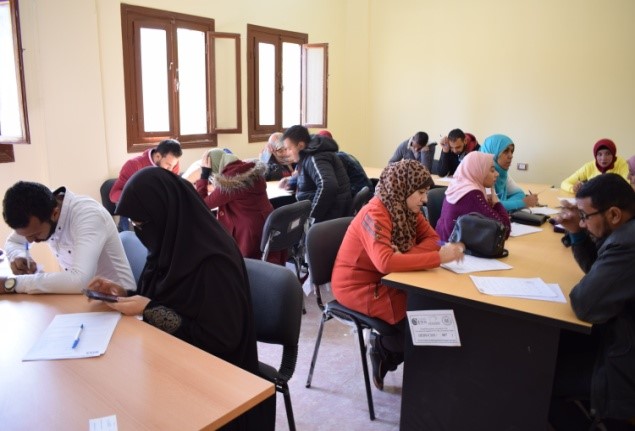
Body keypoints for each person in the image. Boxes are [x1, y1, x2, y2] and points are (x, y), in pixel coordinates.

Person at [331, 160, 465, 390]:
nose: (425, 199)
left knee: (431, 316)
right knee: (422, 329)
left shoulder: (406, 208)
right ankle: (382, 350)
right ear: (403, 187)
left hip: (391, 278)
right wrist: (437, 258)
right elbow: (385, 262)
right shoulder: (375, 213)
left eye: (426, 192)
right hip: (358, 287)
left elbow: (433, 239)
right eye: (420, 193)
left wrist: (404, 255)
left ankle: (388, 351)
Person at [549, 174, 635, 429]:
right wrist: (576, 233)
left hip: (623, 361)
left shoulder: (628, 245)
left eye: (585, 216)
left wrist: (590, 284)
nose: (582, 222)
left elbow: (585, 305)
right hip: (620, 337)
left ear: (614, 214)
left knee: (540, 373)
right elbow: (600, 270)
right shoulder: (625, 233)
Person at [1, 181, 136, 294]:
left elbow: (80, 281)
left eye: (34, 234)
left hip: (119, 299)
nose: (29, 241)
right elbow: (14, 242)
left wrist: (14, 283)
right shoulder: (38, 208)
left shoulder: (88, 216)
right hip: (81, 296)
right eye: (25, 236)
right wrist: (18, 255)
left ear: (54, 214)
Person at [195, 149, 283, 264]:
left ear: (215, 168)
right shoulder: (248, 170)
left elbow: (201, 204)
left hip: (248, 237)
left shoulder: (230, 181)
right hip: (264, 228)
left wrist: (204, 175)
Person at [282, 125, 351, 223]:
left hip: (330, 215)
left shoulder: (314, 157)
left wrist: (312, 217)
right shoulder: (310, 155)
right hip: (334, 211)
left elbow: (328, 185)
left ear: (300, 145)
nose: (287, 153)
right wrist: (290, 181)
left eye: (289, 148)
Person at [435, 152, 511, 241]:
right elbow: (505, 230)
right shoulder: (471, 194)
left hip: (442, 243)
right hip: (453, 247)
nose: (497, 174)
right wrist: (496, 201)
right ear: (479, 171)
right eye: (492, 170)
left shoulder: (459, 185)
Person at [110, 139, 182, 231]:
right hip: (134, 212)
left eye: (173, 166)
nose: (171, 170)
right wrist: (137, 199)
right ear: (158, 156)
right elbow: (114, 194)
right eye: (168, 165)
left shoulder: (172, 165)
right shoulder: (133, 165)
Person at [479, 134, 539, 211]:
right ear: (492, 152)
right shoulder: (483, 175)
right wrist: (522, 203)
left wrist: (506, 204)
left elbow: (520, 194)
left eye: (511, 151)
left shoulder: (502, 174)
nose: (511, 156)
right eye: (506, 151)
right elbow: (492, 206)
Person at [316, 130, 374, 198]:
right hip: (366, 191)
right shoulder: (343, 155)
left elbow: (332, 183)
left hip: (360, 195)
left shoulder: (337, 159)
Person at [560, 139, 629, 193]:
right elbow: (564, 183)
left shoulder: (621, 164)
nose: (603, 158)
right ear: (595, 156)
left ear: (613, 154)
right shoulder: (589, 167)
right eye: (599, 154)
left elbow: (627, 187)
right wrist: (573, 189)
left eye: (608, 154)